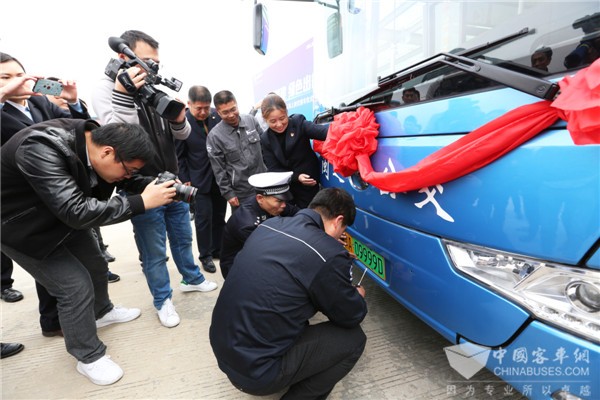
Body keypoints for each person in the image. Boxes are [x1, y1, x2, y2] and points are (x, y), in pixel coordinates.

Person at [1, 117, 179, 385]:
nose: (127, 176)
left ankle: (102, 311)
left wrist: (152, 185)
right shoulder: (39, 147)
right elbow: (76, 211)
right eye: (128, 170)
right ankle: (88, 356)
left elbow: (112, 181)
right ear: (107, 152)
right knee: (74, 287)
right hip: (20, 228)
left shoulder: (94, 143)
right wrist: (141, 202)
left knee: (96, 263)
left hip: (59, 217)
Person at [92, 30, 217, 329]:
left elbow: (183, 136)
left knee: (183, 237)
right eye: (147, 61)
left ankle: (191, 277)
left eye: (156, 62)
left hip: (171, 179)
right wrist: (125, 95)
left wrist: (178, 119)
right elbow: (119, 139)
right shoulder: (106, 88)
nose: (153, 68)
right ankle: (163, 300)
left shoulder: (151, 87)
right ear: (125, 56)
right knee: (154, 250)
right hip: (141, 186)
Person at [210, 187, 368, 399]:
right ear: (338, 221)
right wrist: (356, 295)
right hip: (256, 373)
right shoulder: (328, 253)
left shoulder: (270, 225)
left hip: (224, 351)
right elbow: (350, 315)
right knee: (354, 339)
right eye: (344, 230)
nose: (341, 236)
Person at [0, 53, 91, 337]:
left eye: (19, 75)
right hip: (19, 204)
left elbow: (77, 130)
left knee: (64, 260)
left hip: (54, 193)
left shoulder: (40, 102)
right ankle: (54, 322)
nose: (16, 82)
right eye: (6, 77)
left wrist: (74, 101)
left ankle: (54, 321)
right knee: (49, 263)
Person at [175, 86, 226, 273]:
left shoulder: (216, 117)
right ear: (189, 105)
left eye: (207, 107)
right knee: (203, 219)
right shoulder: (182, 121)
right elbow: (179, 155)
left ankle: (218, 249)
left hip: (219, 178)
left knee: (219, 216)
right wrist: (185, 178)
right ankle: (205, 255)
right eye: (199, 108)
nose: (204, 112)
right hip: (197, 179)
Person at [219, 171, 300, 279]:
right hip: (240, 270)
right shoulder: (247, 224)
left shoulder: (274, 204)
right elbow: (273, 251)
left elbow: (299, 214)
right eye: (279, 201)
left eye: (285, 200)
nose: (284, 205)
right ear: (260, 198)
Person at [260, 93, 329, 208]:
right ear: (265, 119)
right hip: (286, 191)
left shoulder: (298, 123)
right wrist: (296, 177)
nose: (279, 124)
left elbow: (323, 132)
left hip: (310, 187)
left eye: (282, 118)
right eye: (273, 121)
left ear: (286, 112)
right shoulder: (265, 139)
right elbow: (274, 169)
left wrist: (344, 131)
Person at [206, 90, 267, 212]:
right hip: (241, 193)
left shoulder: (251, 121)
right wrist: (228, 193)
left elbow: (266, 148)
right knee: (246, 227)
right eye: (225, 112)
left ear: (237, 104)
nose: (231, 115)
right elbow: (219, 169)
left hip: (264, 184)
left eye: (233, 109)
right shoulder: (214, 137)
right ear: (218, 112)